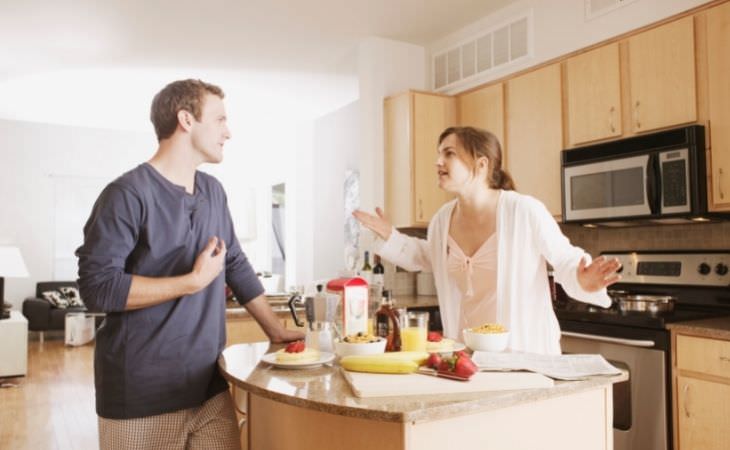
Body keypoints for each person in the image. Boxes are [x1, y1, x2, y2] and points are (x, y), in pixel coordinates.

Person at [76, 79, 304, 449]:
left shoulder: (213, 191)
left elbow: (234, 262)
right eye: (220, 120)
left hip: (208, 386)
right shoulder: (127, 194)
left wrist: (275, 330)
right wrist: (192, 281)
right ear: (186, 119)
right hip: (141, 396)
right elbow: (97, 288)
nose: (228, 132)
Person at [354, 126, 621, 355]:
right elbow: (428, 256)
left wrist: (584, 279)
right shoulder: (442, 220)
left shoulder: (523, 210)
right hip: (467, 356)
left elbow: (564, 257)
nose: (438, 162)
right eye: (439, 154)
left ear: (481, 165)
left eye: (449, 154)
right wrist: (392, 237)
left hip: (524, 358)